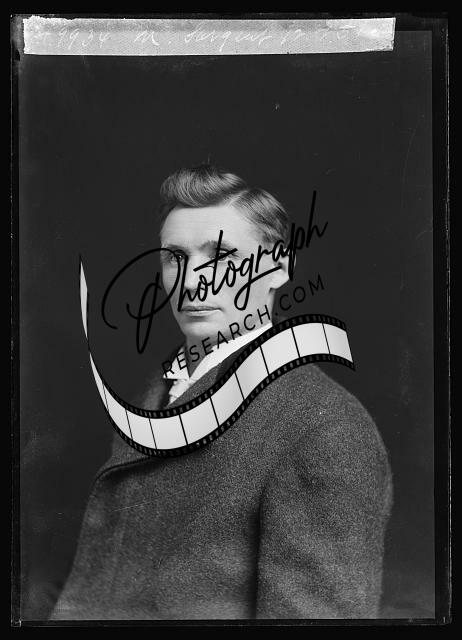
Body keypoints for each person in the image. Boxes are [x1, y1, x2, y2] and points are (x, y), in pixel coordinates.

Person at [50, 164, 393, 620]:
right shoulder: (161, 390)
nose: (193, 280)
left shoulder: (325, 428)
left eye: (222, 255)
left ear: (279, 268)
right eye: (175, 257)